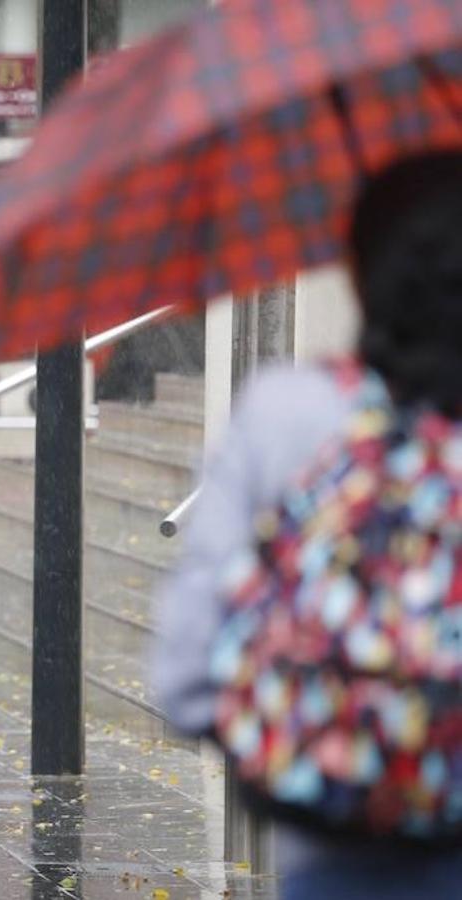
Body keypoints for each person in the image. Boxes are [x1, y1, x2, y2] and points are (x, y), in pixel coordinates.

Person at [153, 151, 462, 899]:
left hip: (333, 855)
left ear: (356, 276)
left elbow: (185, 678)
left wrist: (336, 727)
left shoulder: (286, 413)